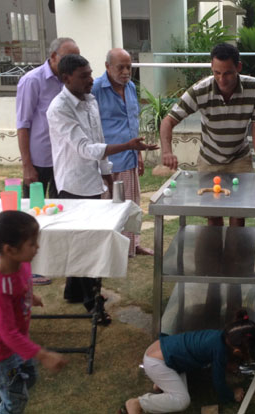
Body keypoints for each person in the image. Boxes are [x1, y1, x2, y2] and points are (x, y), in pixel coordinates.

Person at [46, 54, 158, 324]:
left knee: (86, 242)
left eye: (90, 73)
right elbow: (85, 148)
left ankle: (75, 291)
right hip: (73, 185)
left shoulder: (90, 100)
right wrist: (128, 146)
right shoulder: (59, 108)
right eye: (84, 76)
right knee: (87, 246)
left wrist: (107, 175)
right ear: (66, 79)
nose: (90, 80)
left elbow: (99, 140)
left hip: (94, 181)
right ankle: (93, 304)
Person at [160, 43, 255, 227]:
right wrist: (166, 151)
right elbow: (168, 121)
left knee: (239, 212)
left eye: (227, 73)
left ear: (239, 67)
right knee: (212, 213)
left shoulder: (254, 88)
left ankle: (234, 254)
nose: (222, 79)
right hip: (209, 159)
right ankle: (214, 255)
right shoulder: (200, 90)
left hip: (239, 158)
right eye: (217, 72)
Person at [0, 211, 67, 414]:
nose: (37, 247)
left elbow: (23, 285)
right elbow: (7, 333)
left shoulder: (22, 264)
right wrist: (43, 355)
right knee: (15, 401)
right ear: (10, 250)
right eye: (32, 243)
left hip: (16, 346)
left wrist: (30, 297)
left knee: (27, 379)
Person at [16, 37, 80, 286]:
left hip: (63, 160)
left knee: (59, 211)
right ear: (52, 57)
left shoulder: (69, 82)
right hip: (39, 161)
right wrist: (27, 165)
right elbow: (23, 125)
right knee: (31, 216)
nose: (72, 62)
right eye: (66, 57)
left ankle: (53, 261)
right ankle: (27, 269)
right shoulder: (32, 81)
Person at [119, 309, 255, 414]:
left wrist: (228, 365)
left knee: (180, 386)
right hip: (158, 363)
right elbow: (218, 382)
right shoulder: (220, 350)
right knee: (182, 400)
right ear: (236, 351)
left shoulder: (219, 337)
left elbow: (216, 360)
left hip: (161, 353)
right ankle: (138, 403)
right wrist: (231, 394)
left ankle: (161, 384)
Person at [94, 48, 153, 257]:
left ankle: (132, 245)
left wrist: (137, 155)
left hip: (128, 159)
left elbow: (132, 122)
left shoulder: (129, 87)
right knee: (107, 207)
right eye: (121, 67)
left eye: (129, 67)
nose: (126, 71)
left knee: (131, 205)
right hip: (105, 161)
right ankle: (109, 250)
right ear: (108, 67)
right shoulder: (95, 89)